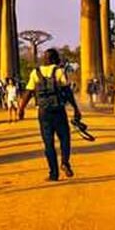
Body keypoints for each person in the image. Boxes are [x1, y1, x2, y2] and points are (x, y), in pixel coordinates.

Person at [18, 48, 82, 181]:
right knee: (65, 138)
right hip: (58, 110)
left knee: (48, 143)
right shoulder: (59, 72)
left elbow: (29, 93)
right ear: (55, 59)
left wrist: (21, 108)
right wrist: (76, 108)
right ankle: (64, 162)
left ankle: (53, 173)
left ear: (45, 59)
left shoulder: (35, 73)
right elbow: (67, 92)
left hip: (43, 112)